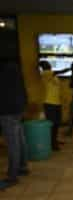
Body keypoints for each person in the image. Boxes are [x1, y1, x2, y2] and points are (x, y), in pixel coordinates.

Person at [0, 60, 29, 189]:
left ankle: (12, 176)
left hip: (7, 112)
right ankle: (23, 167)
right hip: (19, 110)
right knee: (20, 140)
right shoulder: (17, 75)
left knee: (13, 144)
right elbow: (24, 92)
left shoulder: (3, 76)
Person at [39, 61, 70, 151]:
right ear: (44, 67)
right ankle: (52, 144)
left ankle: (54, 141)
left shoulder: (52, 75)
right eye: (47, 64)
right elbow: (58, 72)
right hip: (49, 103)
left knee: (56, 124)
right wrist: (67, 69)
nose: (48, 65)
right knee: (52, 125)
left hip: (56, 103)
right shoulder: (45, 73)